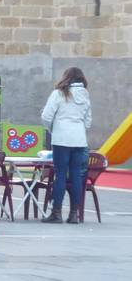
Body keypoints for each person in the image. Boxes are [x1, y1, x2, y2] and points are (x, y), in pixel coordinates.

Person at [40, 67, 92, 224]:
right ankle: (74, 214)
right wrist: (79, 130)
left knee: (60, 175)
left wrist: (53, 129)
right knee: (76, 175)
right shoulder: (85, 95)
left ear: (66, 77)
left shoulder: (58, 93)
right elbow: (88, 121)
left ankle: (56, 213)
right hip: (79, 139)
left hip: (61, 139)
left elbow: (46, 116)